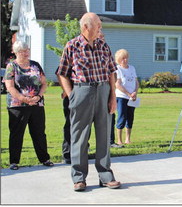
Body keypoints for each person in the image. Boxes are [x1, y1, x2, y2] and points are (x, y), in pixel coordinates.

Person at [56, 12, 120, 191]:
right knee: (79, 137)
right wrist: (71, 96)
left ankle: (106, 175)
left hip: (103, 91)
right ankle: (79, 178)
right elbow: (62, 73)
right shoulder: (72, 46)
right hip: (82, 91)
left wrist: (113, 96)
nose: (101, 27)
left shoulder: (103, 45)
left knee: (104, 135)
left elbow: (111, 72)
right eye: (98, 24)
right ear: (86, 26)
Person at [4, 41, 54, 170]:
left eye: (27, 50)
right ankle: (14, 161)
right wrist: (23, 99)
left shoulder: (35, 65)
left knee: (39, 133)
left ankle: (45, 158)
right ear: (15, 53)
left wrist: (38, 96)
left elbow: (44, 83)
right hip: (17, 105)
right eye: (22, 51)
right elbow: (9, 86)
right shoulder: (12, 66)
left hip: (36, 104)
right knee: (17, 133)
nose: (25, 53)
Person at [115, 49, 139, 146]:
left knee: (130, 117)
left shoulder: (132, 68)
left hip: (132, 97)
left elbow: (136, 82)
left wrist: (135, 93)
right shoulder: (118, 69)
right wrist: (128, 94)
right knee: (122, 117)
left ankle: (128, 138)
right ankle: (119, 139)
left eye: (126, 58)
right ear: (119, 60)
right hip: (122, 97)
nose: (125, 60)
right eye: (122, 58)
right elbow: (118, 84)